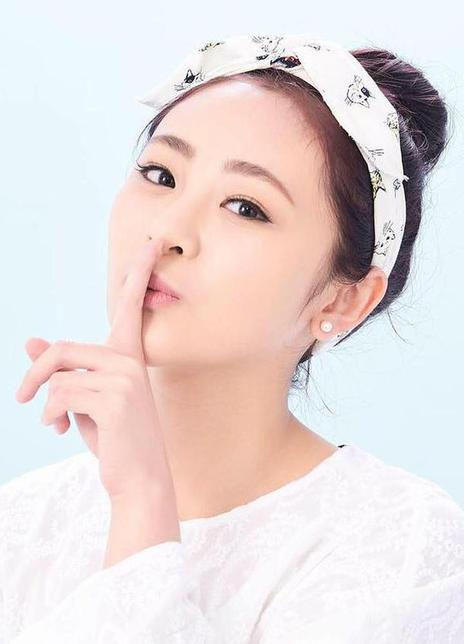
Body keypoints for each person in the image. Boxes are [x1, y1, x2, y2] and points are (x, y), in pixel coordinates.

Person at [2, 39, 463, 643]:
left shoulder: (402, 548)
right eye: (161, 175)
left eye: (245, 207)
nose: (168, 230)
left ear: (342, 300)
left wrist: (143, 504)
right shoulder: (23, 524)